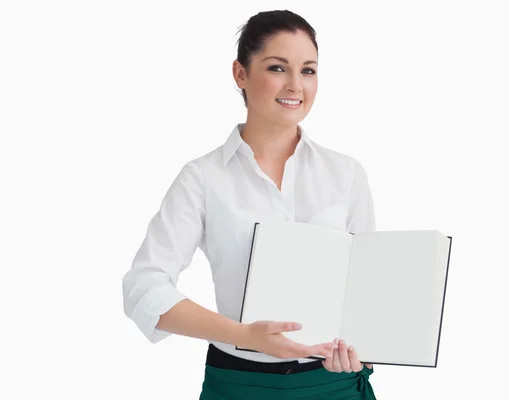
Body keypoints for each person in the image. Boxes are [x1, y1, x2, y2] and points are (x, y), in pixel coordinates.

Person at [122, 9, 378, 400]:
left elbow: (367, 292)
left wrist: (363, 350)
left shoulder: (346, 174)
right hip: (240, 385)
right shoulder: (203, 177)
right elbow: (144, 286)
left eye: (308, 70)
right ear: (240, 74)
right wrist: (244, 335)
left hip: (334, 385)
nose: (296, 85)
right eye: (277, 68)